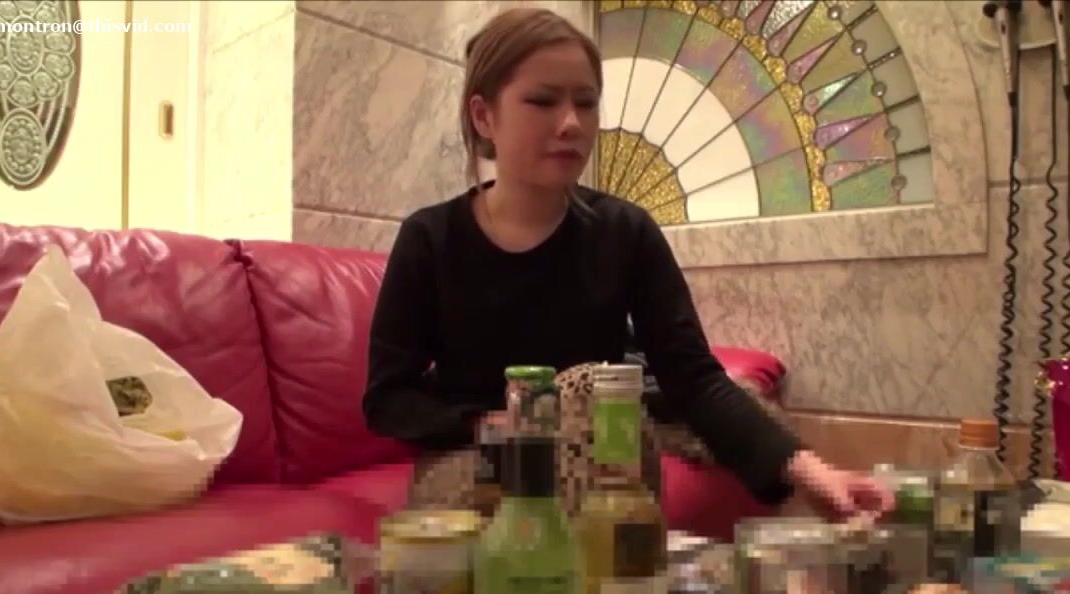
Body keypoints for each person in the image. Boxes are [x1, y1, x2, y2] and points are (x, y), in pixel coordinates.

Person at [362, 7, 893, 522]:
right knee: (560, 471)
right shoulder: (430, 238)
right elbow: (389, 398)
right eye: (542, 101)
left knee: (744, 410)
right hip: (478, 449)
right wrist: (493, 424)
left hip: (604, 423)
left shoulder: (624, 230)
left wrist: (815, 473)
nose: (571, 123)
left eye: (586, 103)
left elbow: (692, 376)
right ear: (484, 116)